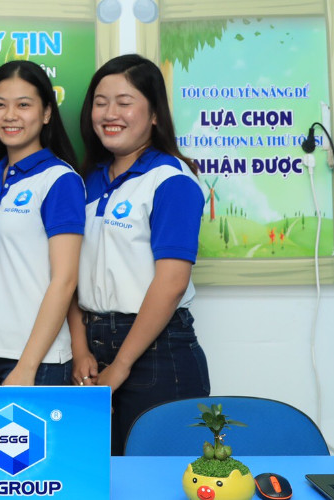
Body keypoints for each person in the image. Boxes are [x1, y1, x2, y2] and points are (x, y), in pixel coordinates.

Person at [70, 54, 211, 454]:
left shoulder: (171, 179)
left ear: (154, 114)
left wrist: (121, 365)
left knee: (160, 476)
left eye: (124, 102)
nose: (109, 113)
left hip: (157, 353)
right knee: (99, 473)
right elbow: (67, 273)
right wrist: (80, 349)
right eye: (100, 102)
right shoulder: (86, 180)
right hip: (92, 346)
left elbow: (171, 283)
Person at [0, 60, 87, 386]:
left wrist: (27, 365)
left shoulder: (59, 180)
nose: (10, 115)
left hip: (38, 361)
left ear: (46, 113)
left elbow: (65, 280)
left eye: (23, 105)